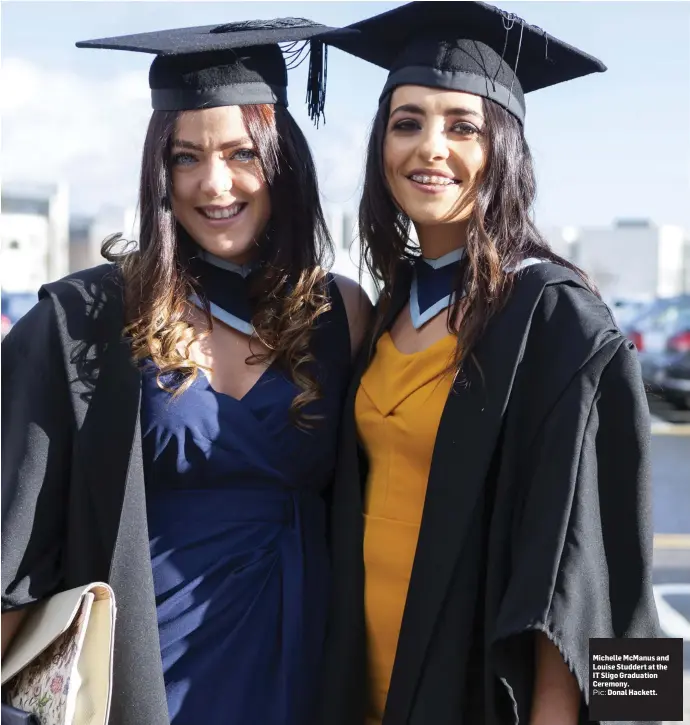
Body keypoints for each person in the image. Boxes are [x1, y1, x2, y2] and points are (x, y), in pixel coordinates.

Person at [1, 18, 371, 725]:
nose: (214, 183)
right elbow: (11, 535)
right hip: (141, 677)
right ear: (158, 171)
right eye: (185, 157)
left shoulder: (337, 315)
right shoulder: (87, 319)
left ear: (282, 161)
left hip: (300, 670)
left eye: (241, 153)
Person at [317, 3, 660, 725]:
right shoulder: (389, 310)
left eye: (462, 126)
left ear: (503, 147)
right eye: (406, 122)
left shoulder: (556, 321)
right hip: (362, 693)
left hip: (479, 699)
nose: (429, 146)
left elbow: (592, 570)